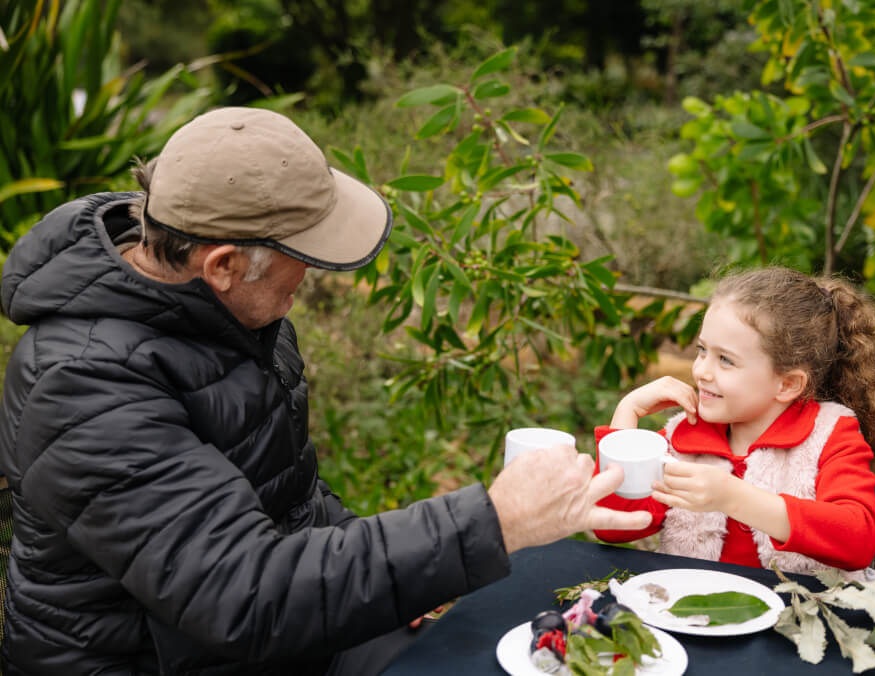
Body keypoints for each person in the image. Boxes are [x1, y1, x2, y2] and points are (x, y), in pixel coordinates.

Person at [0, 106, 650, 676]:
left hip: (281, 638)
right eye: (302, 253)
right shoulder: (83, 386)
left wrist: (417, 583)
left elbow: (291, 499)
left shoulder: (244, 314)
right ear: (223, 264)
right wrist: (491, 524)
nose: (310, 274)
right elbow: (243, 595)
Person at [593, 266, 875, 577]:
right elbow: (611, 526)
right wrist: (627, 413)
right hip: (691, 615)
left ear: (787, 384)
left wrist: (733, 497)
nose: (701, 370)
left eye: (726, 360)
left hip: (794, 622)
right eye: (702, 350)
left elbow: (858, 540)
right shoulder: (686, 434)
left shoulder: (830, 435)